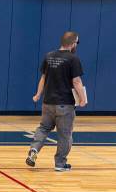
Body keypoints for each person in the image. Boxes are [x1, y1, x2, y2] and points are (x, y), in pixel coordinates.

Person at [26, 31, 88, 172]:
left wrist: (37, 95)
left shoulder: (49, 56)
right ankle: (60, 164)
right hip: (65, 104)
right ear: (73, 44)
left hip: (47, 103)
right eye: (77, 43)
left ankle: (34, 150)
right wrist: (83, 99)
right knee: (65, 135)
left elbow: (43, 78)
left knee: (43, 128)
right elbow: (77, 81)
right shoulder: (73, 59)